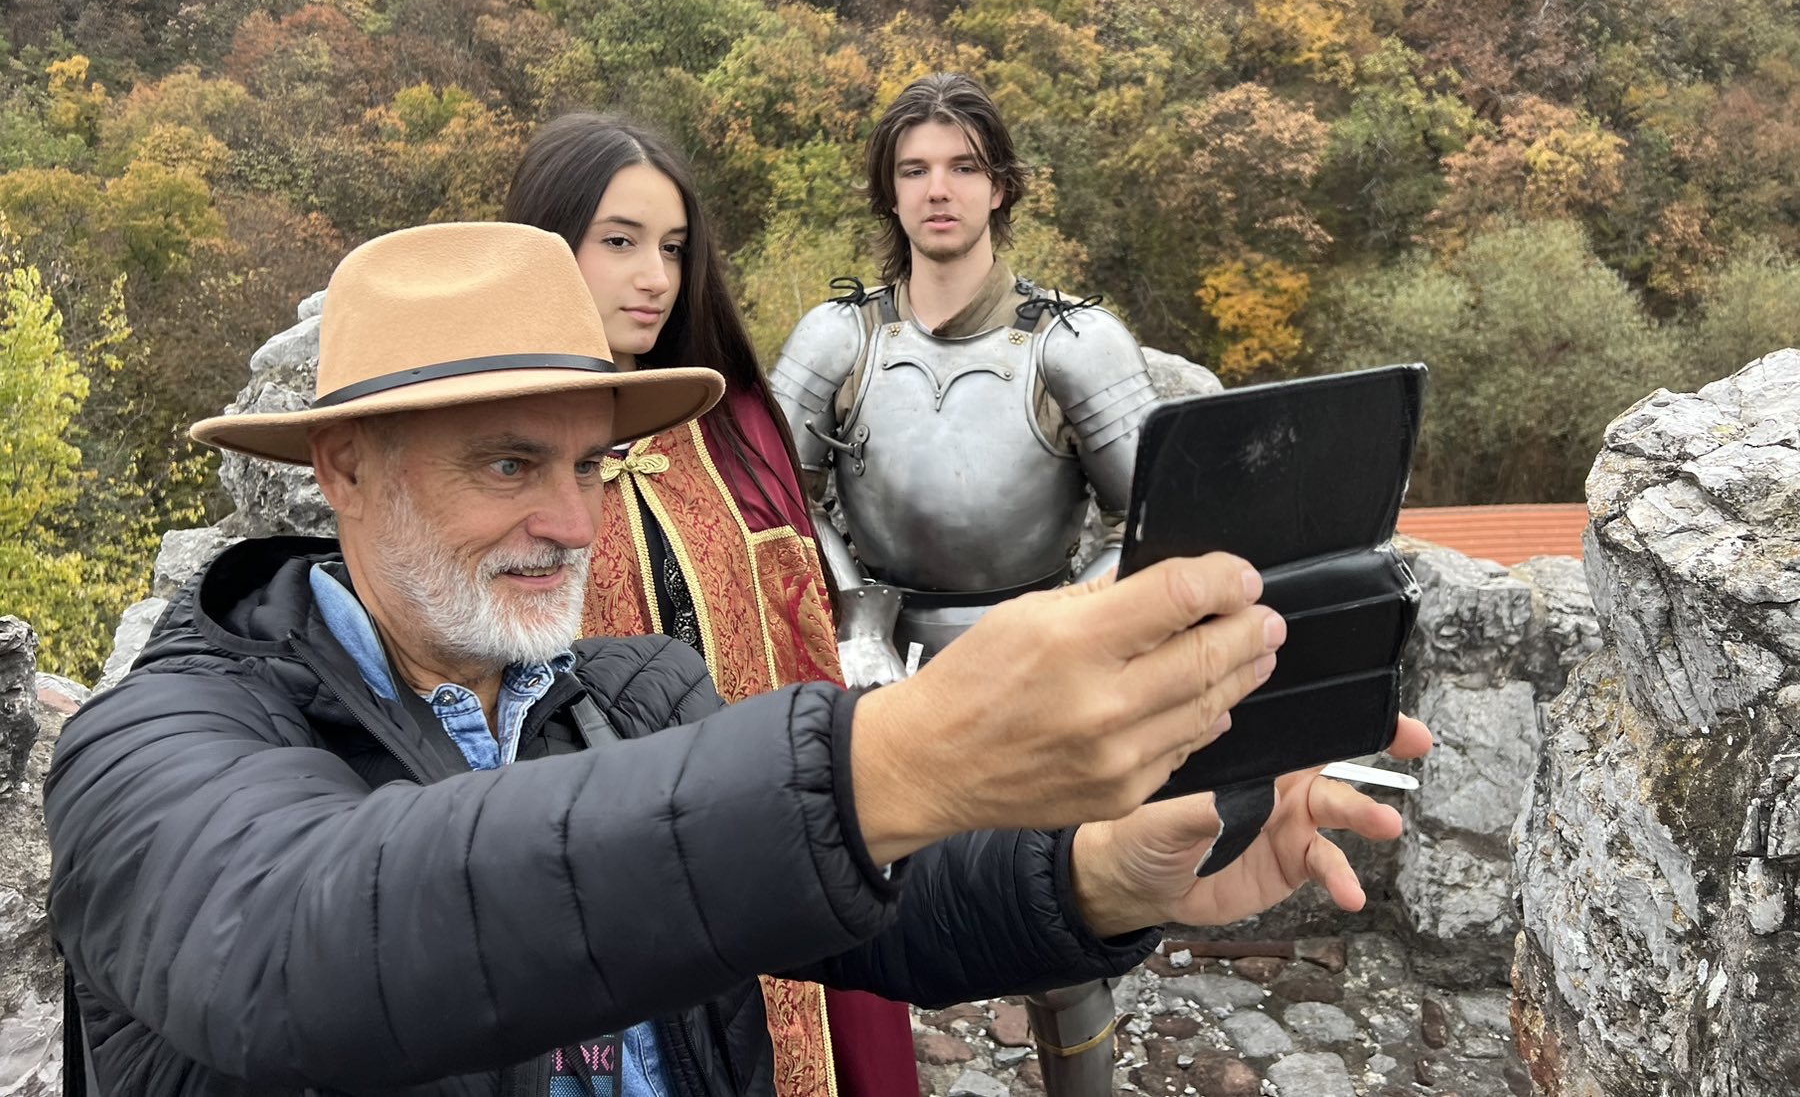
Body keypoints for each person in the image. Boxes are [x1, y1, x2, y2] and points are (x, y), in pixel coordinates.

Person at [45, 221, 1431, 1097]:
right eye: (509, 463)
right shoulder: (156, 743)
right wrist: (885, 755)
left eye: (591, 465)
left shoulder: (635, 696)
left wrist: (1098, 871)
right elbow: (310, 939)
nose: (569, 521)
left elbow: (861, 907)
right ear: (341, 467)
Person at [502, 114, 917, 1097]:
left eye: (674, 249)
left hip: (785, 857)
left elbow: (806, 632)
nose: (655, 276)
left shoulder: (733, 423)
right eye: (620, 241)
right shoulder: (494, 456)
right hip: (598, 894)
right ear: (545, 244)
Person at [770, 72, 1159, 1091]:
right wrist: (857, 621)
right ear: (889, 195)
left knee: (1062, 933)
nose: (938, 189)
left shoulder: (1077, 345)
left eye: (962, 167)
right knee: (847, 919)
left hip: (1043, 665)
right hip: (875, 668)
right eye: (914, 170)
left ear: (1000, 187)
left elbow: (1155, 518)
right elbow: (772, 501)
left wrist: (1066, 623)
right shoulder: (838, 340)